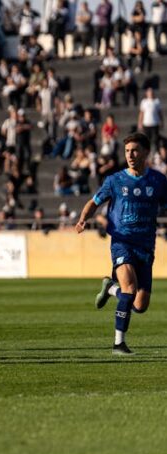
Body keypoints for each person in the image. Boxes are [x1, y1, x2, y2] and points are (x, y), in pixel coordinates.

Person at [75, 133, 167, 355]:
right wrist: (82, 219)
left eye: (135, 150)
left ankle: (110, 288)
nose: (130, 155)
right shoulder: (115, 180)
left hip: (146, 246)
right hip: (122, 242)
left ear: (145, 152)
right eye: (127, 151)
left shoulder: (158, 180)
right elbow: (94, 202)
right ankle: (118, 344)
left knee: (140, 305)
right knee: (130, 289)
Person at [138, 87, 162, 154]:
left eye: (151, 92)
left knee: (155, 140)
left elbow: (160, 113)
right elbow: (141, 113)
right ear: (146, 93)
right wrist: (140, 123)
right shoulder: (144, 101)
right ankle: (147, 153)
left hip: (155, 124)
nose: (150, 93)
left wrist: (162, 121)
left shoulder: (157, 101)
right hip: (146, 124)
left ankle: (156, 153)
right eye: (149, 92)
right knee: (146, 140)